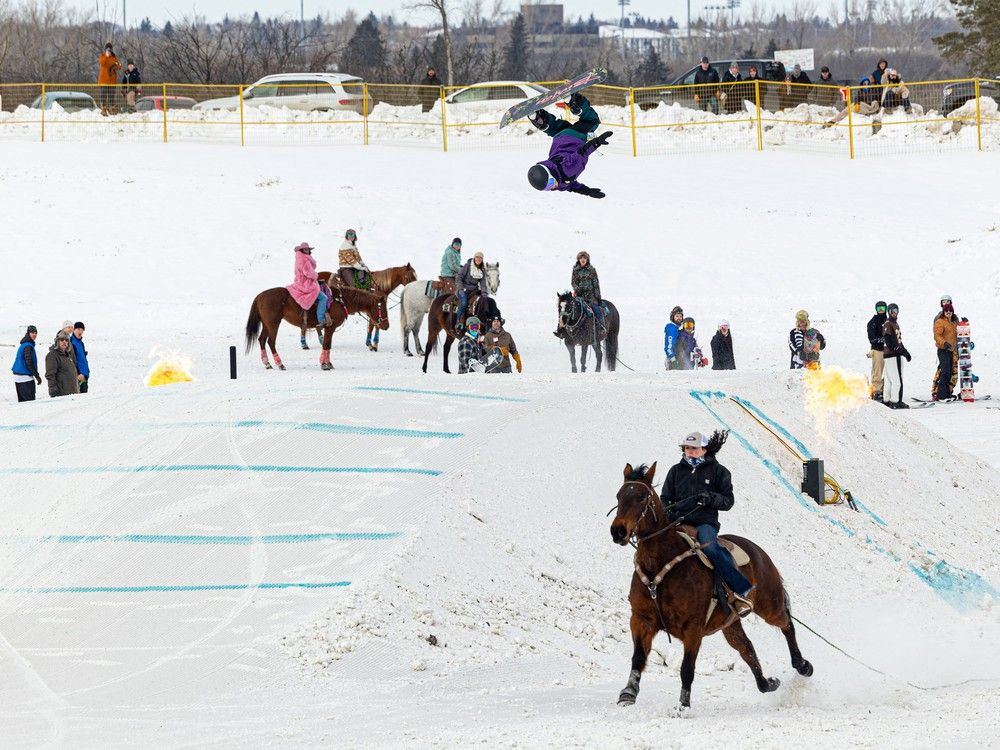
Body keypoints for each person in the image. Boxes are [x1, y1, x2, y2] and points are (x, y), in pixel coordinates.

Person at [662, 430, 754, 616]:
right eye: (687, 448)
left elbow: (728, 501)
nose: (690, 451)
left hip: (705, 523)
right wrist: (669, 511)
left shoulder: (719, 472)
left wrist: (711, 499)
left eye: (694, 448)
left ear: (704, 449)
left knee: (710, 548)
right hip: (678, 521)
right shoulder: (675, 471)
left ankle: (739, 591)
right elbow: (665, 498)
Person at [527, 92, 612, 199]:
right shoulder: (559, 182)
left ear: (551, 175)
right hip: (559, 138)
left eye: (550, 184)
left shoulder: (568, 170)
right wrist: (587, 191)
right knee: (558, 127)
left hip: (574, 138)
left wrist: (597, 142)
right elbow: (571, 186)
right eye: (548, 188)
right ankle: (539, 119)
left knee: (592, 121)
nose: (553, 188)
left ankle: (575, 102)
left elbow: (582, 152)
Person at [286, 242, 331, 328]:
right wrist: (316, 275)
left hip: (300, 281)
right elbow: (308, 272)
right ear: (302, 250)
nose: (307, 250)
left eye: (308, 249)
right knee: (323, 298)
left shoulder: (299, 258)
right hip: (306, 284)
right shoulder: (304, 260)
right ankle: (321, 319)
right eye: (305, 249)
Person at [882, 303, 911, 409]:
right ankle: (895, 401)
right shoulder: (888, 323)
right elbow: (888, 339)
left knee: (890, 379)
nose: (894, 313)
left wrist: (905, 352)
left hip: (894, 355)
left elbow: (898, 340)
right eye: (892, 311)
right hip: (892, 355)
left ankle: (886, 400)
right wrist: (898, 350)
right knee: (897, 380)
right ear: (889, 312)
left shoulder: (895, 324)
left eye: (896, 311)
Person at [454, 251, 490, 333]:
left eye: (480, 258)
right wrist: (460, 289)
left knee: (482, 302)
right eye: (477, 257)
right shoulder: (467, 266)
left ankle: (484, 323)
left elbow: (483, 282)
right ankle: (459, 322)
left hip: (474, 290)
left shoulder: (482, 269)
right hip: (464, 289)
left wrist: (484, 293)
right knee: (463, 303)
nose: (478, 259)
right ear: (474, 258)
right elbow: (459, 277)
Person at [933, 298, 959, 401]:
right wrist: (944, 343)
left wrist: (964, 324)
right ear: (944, 312)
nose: (948, 312)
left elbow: (959, 333)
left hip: (951, 351)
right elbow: (937, 335)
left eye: (950, 310)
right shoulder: (940, 321)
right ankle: (941, 396)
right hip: (943, 350)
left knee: (949, 373)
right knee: (944, 372)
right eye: (946, 310)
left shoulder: (953, 323)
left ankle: (947, 394)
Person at [570, 250, 603, 329]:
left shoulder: (592, 270)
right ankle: (565, 328)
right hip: (579, 296)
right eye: (581, 258)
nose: (583, 259)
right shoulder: (575, 270)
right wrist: (577, 289)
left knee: (596, 309)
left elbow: (596, 284)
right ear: (578, 259)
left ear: (587, 259)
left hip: (590, 296)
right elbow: (573, 282)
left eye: (584, 258)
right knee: (570, 308)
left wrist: (598, 297)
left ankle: (601, 326)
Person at [11, 325, 42, 402]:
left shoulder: (24, 344)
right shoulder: (28, 346)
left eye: (36, 333)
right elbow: (29, 363)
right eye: (32, 332)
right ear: (28, 333)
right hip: (25, 377)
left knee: (23, 403)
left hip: (19, 377)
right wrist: (37, 376)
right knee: (29, 403)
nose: (34, 334)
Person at [45, 332, 80, 398]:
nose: (64, 342)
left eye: (66, 340)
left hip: (72, 393)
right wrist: (53, 390)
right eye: (62, 340)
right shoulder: (52, 355)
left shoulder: (68, 355)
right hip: (61, 394)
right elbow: (50, 375)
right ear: (57, 342)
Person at [867, 301, 888, 401]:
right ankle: (876, 391)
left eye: (882, 308)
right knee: (877, 371)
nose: (881, 311)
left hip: (889, 351)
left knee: (890, 371)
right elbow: (872, 338)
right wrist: (882, 339)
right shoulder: (873, 322)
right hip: (877, 350)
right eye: (879, 308)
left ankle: (886, 388)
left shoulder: (888, 321)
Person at [97, 42, 122, 115]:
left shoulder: (114, 57)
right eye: (107, 49)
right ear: (105, 50)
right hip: (103, 80)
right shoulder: (102, 56)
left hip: (112, 81)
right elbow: (102, 62)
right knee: (103, 95)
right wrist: (106, 56)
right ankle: (103, 109)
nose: (108, 51)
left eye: (110, 50)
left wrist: (116, 66)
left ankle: (112, 109)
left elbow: (119, 66)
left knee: (111, 95)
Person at [71, 322, 90, 393]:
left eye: (82, 330)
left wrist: (86, 373)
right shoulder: (71, 342)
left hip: (84, 375)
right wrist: (78, 373)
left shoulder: (81, 343)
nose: (80, 332)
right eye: (78, 329)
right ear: (74, 330)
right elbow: (72, 360)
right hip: (78, 376)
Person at [664, 306, 684, 370]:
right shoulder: (671, 328)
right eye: (677, 316)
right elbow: (669, 346)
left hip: (677, 359)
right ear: (673, 317)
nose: (679, 318)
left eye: (680, 316)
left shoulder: (676, 329)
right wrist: (673, 360)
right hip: (672, 360)